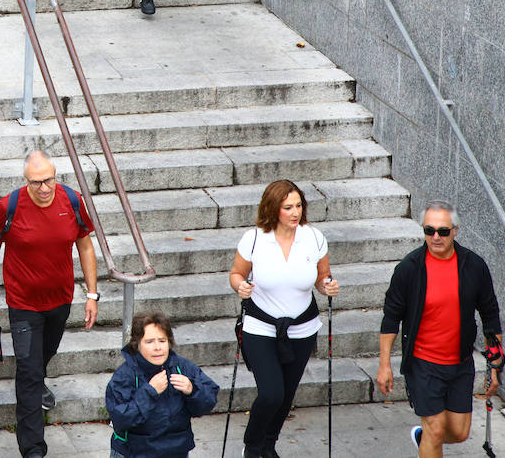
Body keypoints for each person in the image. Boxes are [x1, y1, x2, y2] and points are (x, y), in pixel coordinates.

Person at [0, 150, 98, 458]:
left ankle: (38, 377)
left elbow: (85, 245)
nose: (44, 188)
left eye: (48, 180)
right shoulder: (9, 206)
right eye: (36, 182)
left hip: (61, 299)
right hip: (23, 304)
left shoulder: (71, 201)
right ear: (26, 181)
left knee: (45, 354)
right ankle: (33, 449)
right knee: (29, 374)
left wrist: (92, 294)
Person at [377, 201, 504, 458]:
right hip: (423, 364)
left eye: (443, 231)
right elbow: (391, 318)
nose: (435, 237)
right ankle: (429, 437)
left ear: (455, 230)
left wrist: (495, 364)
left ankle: (424, 438)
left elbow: (490, 315)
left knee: (459, 432)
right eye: (429, 230)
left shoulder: (474, 267)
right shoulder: (409, 269)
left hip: (460, 363)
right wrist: (384, 364)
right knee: (436, 430)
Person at [228, 179, 340, 458]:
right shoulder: (254, 238)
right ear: (272, 209)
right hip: (260, 326)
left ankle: (268, 446)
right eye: (287, 207)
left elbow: (321, 278)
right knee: (271, 393)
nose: (295, 212)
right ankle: (252, 446)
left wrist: (327, 286)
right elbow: (236, 274)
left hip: (302, 329)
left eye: (298, 205)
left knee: (286, 396)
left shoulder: (314, 237)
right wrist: (240, 285)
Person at [105, 311, 219, 457]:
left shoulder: (182, 368)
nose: (157, 347)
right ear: (137, 344)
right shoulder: (124, 376)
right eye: (149, 341)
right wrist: (150, 392)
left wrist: (193, 390)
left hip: (176, 450)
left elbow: (207, 403)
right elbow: (121, 419)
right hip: (135, 452)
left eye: (162, 340)